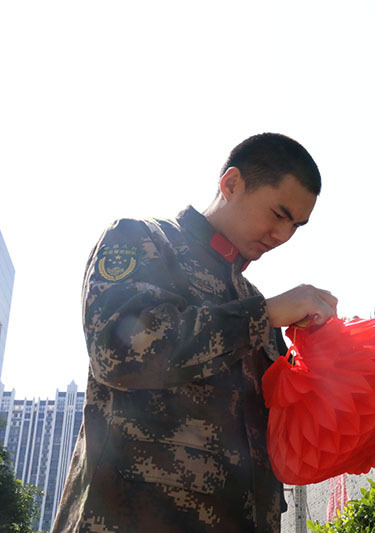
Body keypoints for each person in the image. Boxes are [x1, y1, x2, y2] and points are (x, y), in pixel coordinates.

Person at [52, 133, 338, 532]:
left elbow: (283, 428)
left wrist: (331, 365)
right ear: (231, 184)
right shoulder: (143, 239)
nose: (283, 235)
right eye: (278, 213)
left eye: (296, 226)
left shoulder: (250, 297)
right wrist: (262, 314)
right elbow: (119, 353)